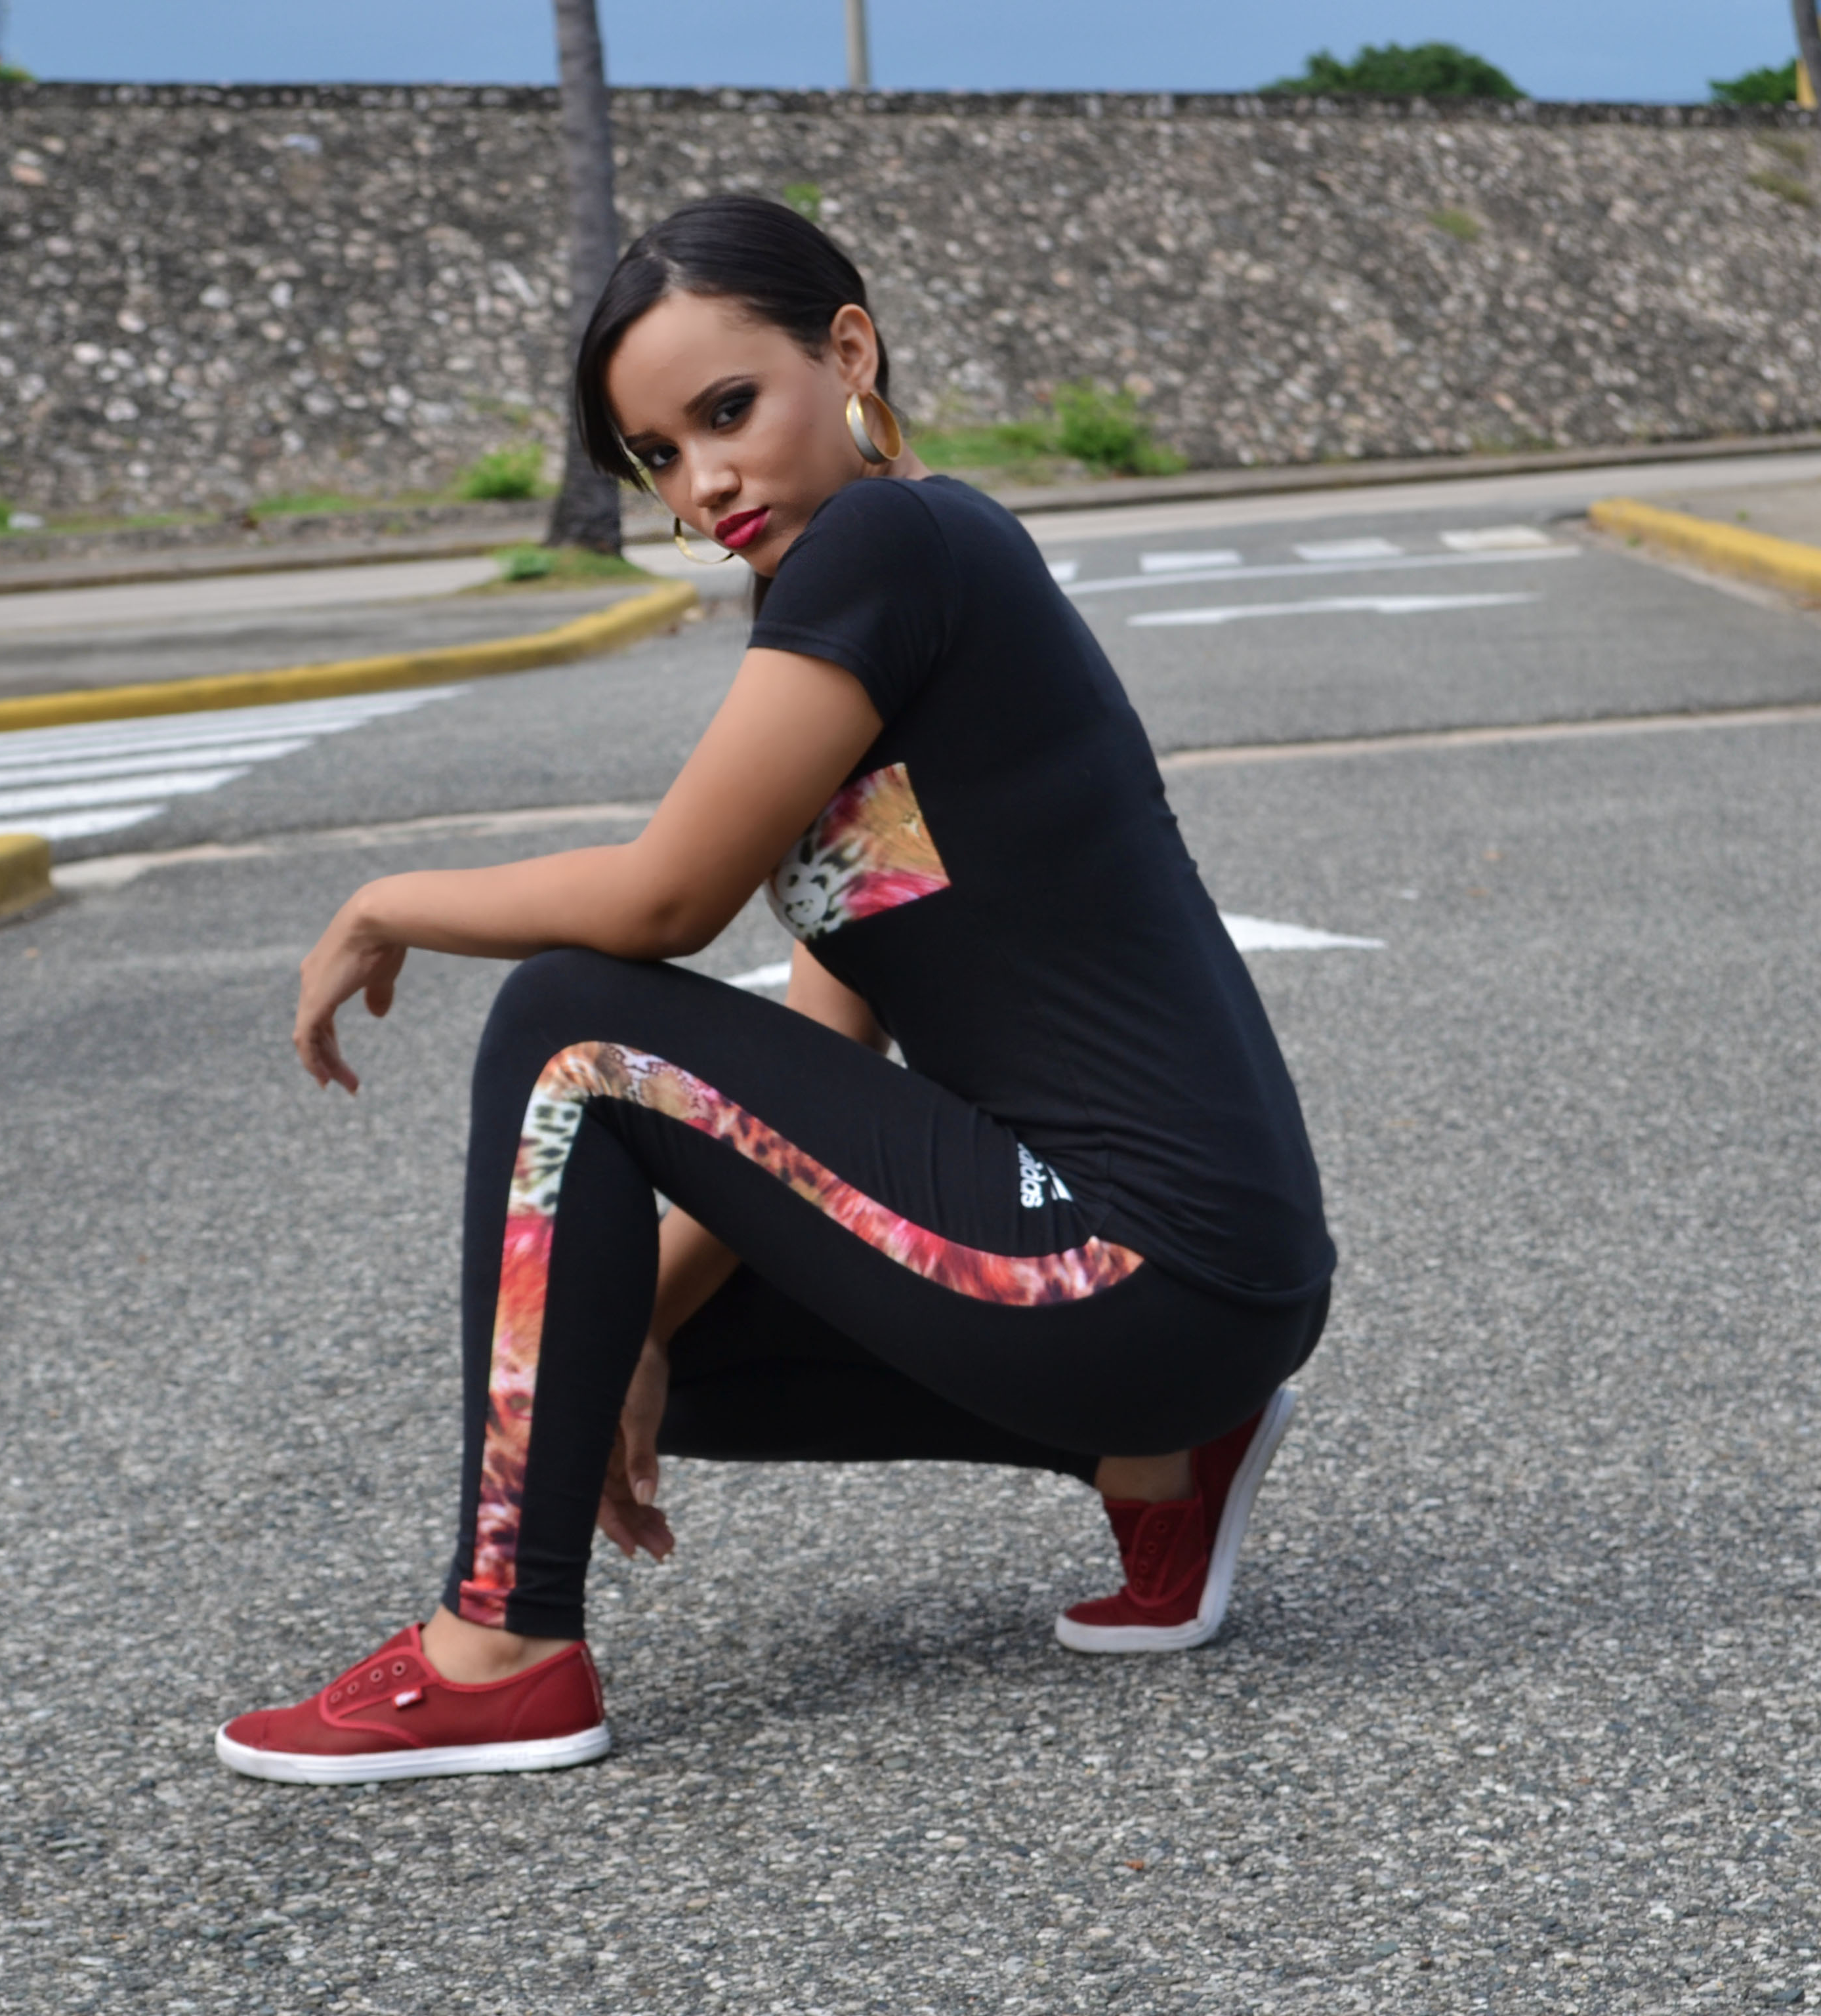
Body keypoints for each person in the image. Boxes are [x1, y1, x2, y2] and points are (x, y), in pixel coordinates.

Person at [216, 196, 1334, 1786]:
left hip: (1140, 1263)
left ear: (851, 351)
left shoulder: (893, 543)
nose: (705, 483)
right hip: (1195, 1301)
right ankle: (1161, 1458)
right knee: (605, 1326)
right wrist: (626, 1332)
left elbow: (664, 902)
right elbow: (823, 1047)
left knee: (565, 1020)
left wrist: (387, 899)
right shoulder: (904, 579)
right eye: (659, 455)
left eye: (729, 410)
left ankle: (502, 1645)